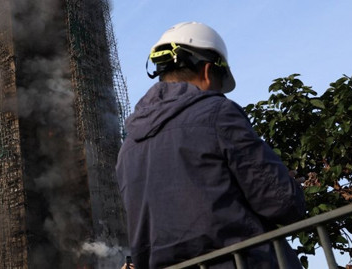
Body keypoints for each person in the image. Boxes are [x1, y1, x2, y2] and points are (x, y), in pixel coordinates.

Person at [115, 22, 306, 269]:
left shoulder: (128, 147)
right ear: (207, 71)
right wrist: (288, 184)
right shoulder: (217, 113)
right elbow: (282, 203)